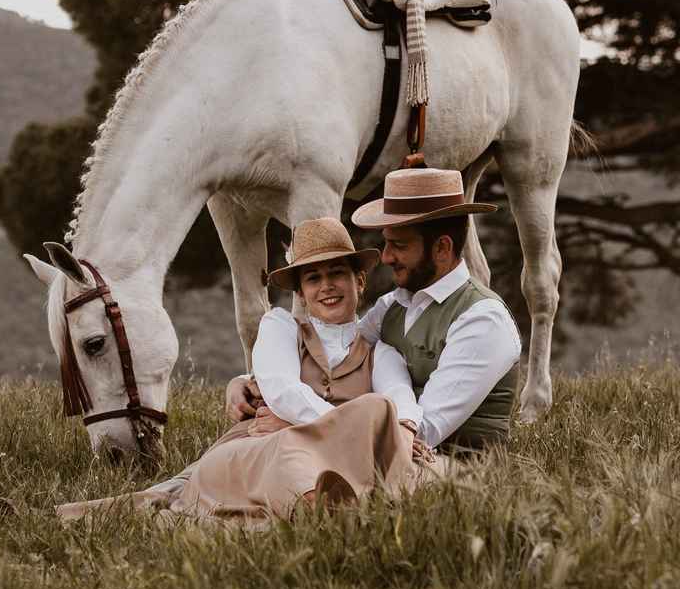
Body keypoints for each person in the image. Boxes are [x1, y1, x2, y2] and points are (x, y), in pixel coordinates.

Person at [57, 217, 435, 524]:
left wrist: (322, 428)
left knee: (374, 410)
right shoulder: (281, 327)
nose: (327, 287)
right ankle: (326, 511)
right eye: (313, 278)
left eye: (337, 274)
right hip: (258, 447)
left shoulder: (382, 355)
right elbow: (281, 389)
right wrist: (347, 429)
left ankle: (327, 508)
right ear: (301, 293)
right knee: (287, 449)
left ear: (359, 281)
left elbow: (400, 409)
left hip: (331, 455)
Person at [228, 168, 521, 455]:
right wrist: (247, 381)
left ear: (442, 248)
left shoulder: (483, 320)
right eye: (386, 243)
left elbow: (420, 431)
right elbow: (337, 349)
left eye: (399, 245)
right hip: (370, 450)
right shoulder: (394, 306)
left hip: (448, 467)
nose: (387, 256)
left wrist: (294, 428)